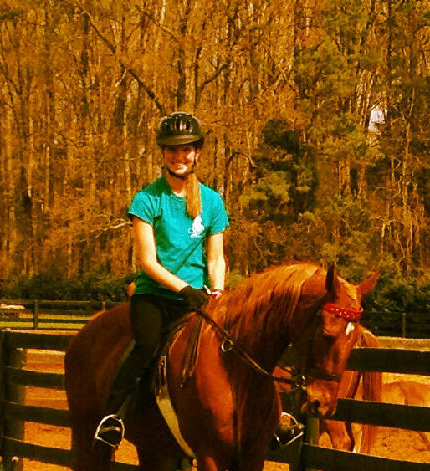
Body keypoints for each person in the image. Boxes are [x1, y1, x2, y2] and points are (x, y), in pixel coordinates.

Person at [94, 110, 299, 450]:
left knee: (245, 340)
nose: (180, 156)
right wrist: (183, 289)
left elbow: (216, 256)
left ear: (198, 151)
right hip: (156, 295)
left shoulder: (213, 201)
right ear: (163, 153)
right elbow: (147, 261)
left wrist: (217, 292)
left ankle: (273, 417)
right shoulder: (147, 200)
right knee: (145, 346)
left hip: (202, 297)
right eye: (173, 150)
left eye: (187, 149)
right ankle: (112, 417)